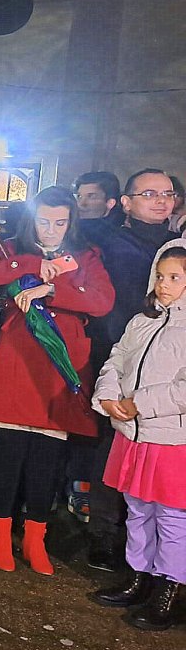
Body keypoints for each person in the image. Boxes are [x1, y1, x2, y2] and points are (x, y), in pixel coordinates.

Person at [0, 186, 115, 576]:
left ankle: (35, 538)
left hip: (61, 366)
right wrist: (27, 265)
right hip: (17, 363)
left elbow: (101, 301)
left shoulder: (86, 257)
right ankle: (0, 533)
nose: (51, 230)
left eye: (60, 222)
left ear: (72, 221)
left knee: (46, 460)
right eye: (44, 221)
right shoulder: (13, 251)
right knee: (9, 454)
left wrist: (53, 288)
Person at [79, 168, 179, 570]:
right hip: (119, 352)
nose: (161, 201)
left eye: (168, 194)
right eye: (149, 193)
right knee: (112, 447)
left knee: (160, 458)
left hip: (170, 365)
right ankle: (103, 531)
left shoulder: (179, 247)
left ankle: (157, 552)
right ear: (126, 202)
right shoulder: (108, 243)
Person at [90, 242, 186, 629]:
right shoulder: (141, 321)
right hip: (133, 435)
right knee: (137, 510)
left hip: (171, 439)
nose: (164, 285)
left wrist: (139, 402)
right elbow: (117, 358)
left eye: (175, 278)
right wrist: (109, 395)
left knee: (171, 518)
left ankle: (169, 587)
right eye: (160, 276)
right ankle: (138, 575)